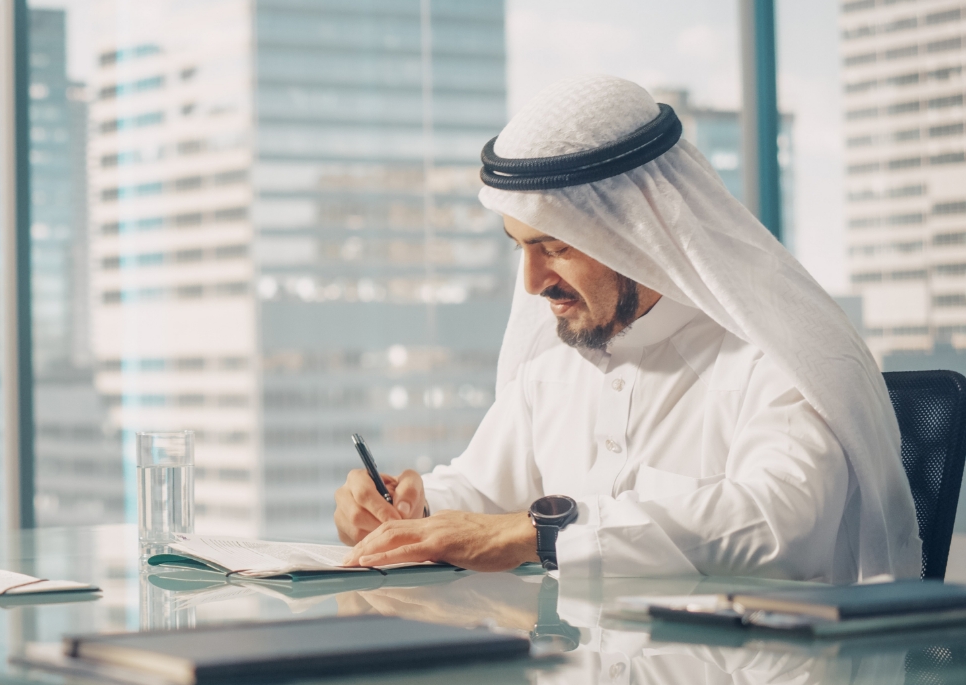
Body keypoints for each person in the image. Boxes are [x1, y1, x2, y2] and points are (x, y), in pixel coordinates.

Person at [335, 74, 921, 582]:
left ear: (639, 233)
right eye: (521, 249)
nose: (534, 281)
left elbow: (779, 523)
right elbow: (483, 496)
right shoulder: (557, 368)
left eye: (556, 248)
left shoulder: (776, 356)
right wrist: (411, 511)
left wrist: (541, 534)